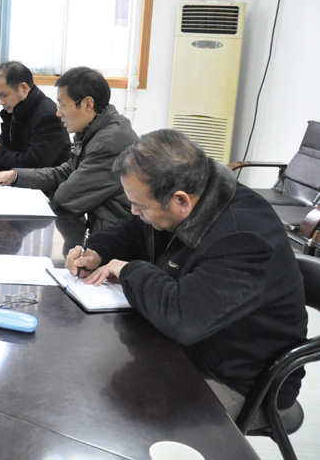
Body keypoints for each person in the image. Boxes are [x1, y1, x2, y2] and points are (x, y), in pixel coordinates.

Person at [67, 130, 308, 427]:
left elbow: (183, 318)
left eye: (140, 205)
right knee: (92, 382)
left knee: (120, 419)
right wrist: (98, 251)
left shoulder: (243, 237)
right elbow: (133, 228)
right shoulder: (190, 193)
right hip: (189, 353)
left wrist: (129, 270)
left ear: (181, 200)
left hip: (244, 382)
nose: (134, 211)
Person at [0, 66, 137, 249]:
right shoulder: (94, 131)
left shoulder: (110, 142)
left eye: (63, 105)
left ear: (88, 104)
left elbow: (66, 197)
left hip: (116, 245)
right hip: (101, 234)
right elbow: (65, 172)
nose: (58, 113)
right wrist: (15, 175)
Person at [0, 61, 70, 170]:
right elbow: (6, 140)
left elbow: (34, 163)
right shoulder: (18, 108)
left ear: (24, 88)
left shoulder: (48, 116)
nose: (1, 102)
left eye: (4, 95)